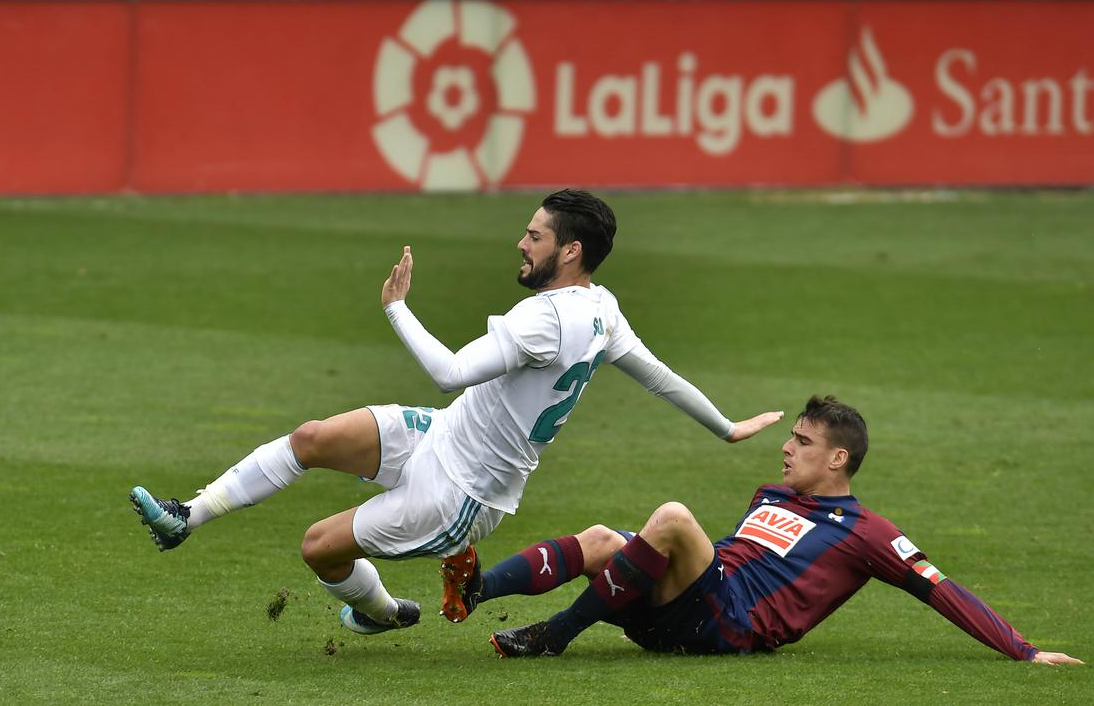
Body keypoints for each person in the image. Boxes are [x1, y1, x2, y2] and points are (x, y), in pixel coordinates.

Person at [129, 189, 783, 636]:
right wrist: (725, 427)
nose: (520, 243)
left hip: (464, 495)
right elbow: (660, 378)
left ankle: (381, 612)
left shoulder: (542, 321)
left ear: (570, 251)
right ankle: (188, 515)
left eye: (533, 236)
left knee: (318, 547)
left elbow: (446, 373)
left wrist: (396, 308)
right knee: (312, 437)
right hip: (440, 437)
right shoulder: (601, 310)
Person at [469, 395, 1082, 665]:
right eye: (792, 435)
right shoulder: (775, 494)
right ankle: (474, 590)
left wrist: (1022, 648)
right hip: (688, 611)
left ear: (838, 459)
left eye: (803, 441)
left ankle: (554, 635)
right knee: (606, 538)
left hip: (730, 626)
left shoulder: (867, 532)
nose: (786, 447)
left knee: (675, 518)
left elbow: (939, 586)